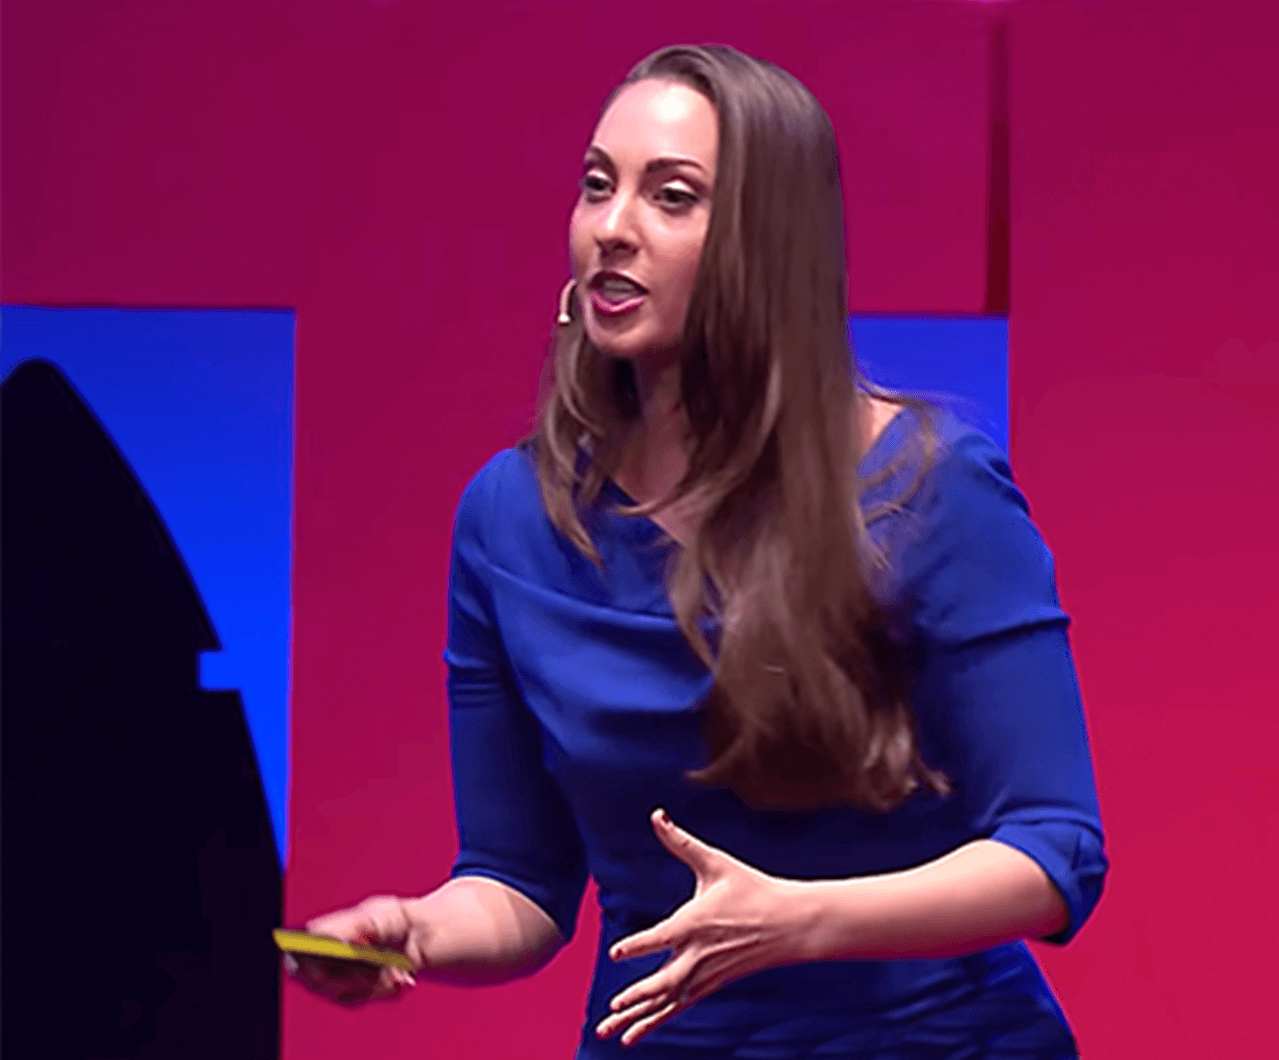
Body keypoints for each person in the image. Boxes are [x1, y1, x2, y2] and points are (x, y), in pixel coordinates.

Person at [287, 43, 1108, 1059]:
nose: (612, 229)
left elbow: (1054, 848)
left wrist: (803, 919)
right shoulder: (510, 518)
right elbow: (519, 882)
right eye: (598, 187)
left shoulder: (928, 490)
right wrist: (417, 930)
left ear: (768, 247)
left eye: (671, 197)